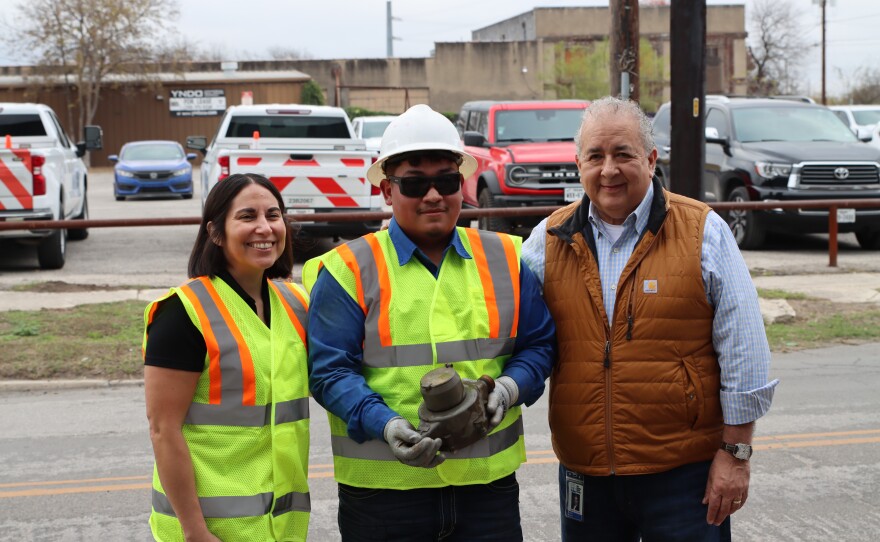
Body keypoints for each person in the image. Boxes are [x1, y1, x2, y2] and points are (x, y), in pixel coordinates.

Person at [521, 96, 778, 541]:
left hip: (683, 476)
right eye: (595, 156)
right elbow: (508, 320)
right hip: (587, 473)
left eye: (623, 154)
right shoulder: (546, 242)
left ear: (651, 159)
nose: (609, 170)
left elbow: (745, 350)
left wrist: (735, 454)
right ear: (577, 162)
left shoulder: (703, 232)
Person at [303, 104, 557, 541]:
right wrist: (385, 424)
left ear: (463, 183)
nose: (433, 195)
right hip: (384, 499)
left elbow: (540, 344)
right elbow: (329, 371)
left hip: (487, 493)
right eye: (415, 183)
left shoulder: (504, 258)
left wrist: (511, 388)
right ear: (386, 190)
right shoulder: (348, 269)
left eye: (446, 180)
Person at [143, 173, 311, 541]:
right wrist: (195, 531)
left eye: (273, 215)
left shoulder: (297, 305)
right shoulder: (183, 312)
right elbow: (163, 430)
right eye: (247, 216)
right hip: (211, 530)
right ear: (215, 233)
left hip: (279, 528)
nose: (264, 228)